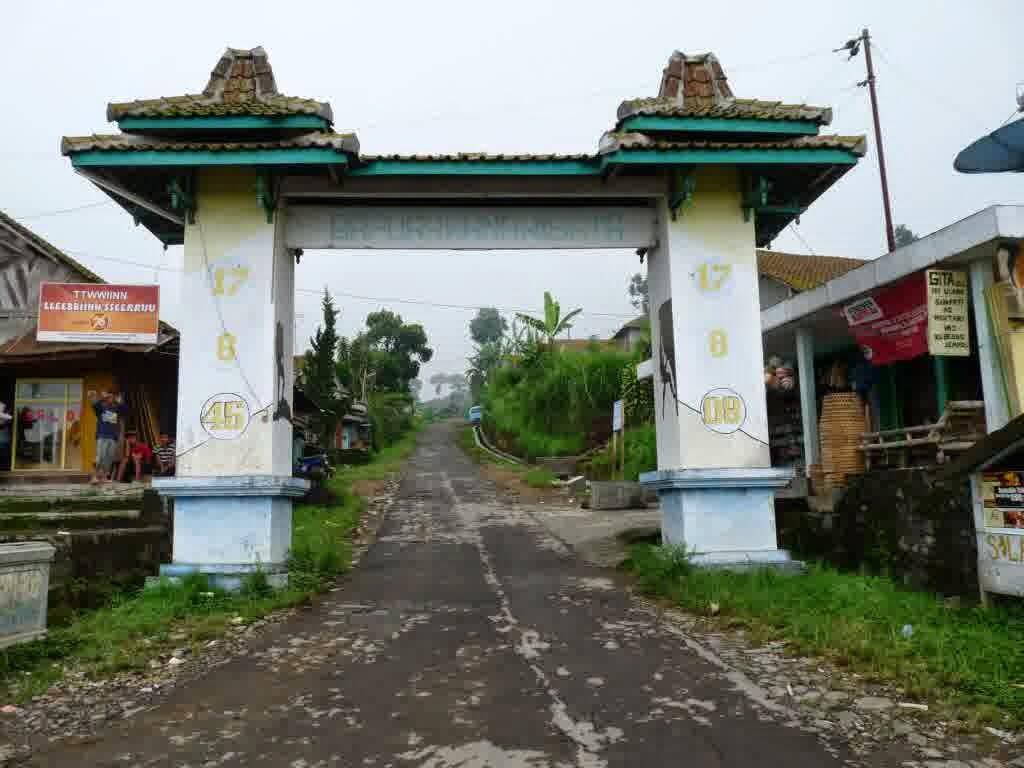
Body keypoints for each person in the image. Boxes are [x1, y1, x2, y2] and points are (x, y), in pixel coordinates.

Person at [88, 390, 127, 484]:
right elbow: (94, 404)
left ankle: (104, 477)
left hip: (113, 437)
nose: (110, 399)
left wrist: (118, 401)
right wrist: (102, 397)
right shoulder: (101, 408)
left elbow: (125, 410)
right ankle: (94, 477)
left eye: (112, 397)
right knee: (100, 457)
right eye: (108, 397)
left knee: (109, 459)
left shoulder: (116, 409)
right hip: (102, 436)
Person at [0, 402, 11, 472]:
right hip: (4, 441)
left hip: (4, 441)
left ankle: (4, 468)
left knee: (4, 457)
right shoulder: (5, 418)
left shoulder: (6, 418)